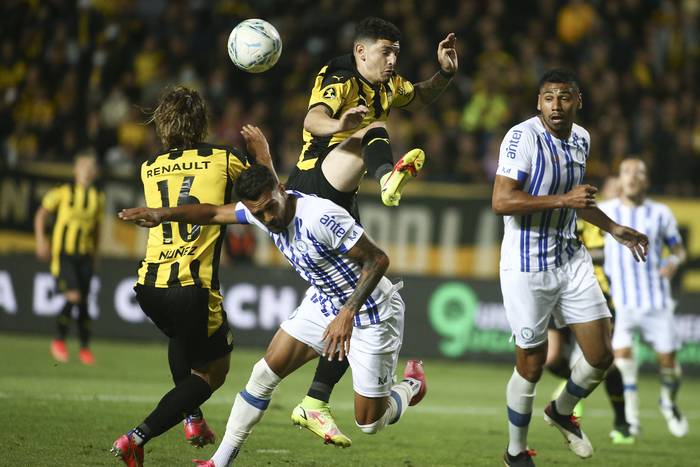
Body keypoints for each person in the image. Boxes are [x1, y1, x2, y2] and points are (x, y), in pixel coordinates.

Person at [119, 162, 427, 467]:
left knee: (369, 422)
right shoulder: (261, 212)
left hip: (373, 312)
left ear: (281, 190)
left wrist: (347, 313)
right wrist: (161, 214)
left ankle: (412, 385)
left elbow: (377, 259)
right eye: (258, 214)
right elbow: (212, 213)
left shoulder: (321, 216)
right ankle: (219, 462)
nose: (268, 218)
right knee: (262, 375)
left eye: (270, 208)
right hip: (324, 303)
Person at [285, 16, 457, 447]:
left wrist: (446, 74)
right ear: (361, 51)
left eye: (397, 51)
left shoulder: (390, 84)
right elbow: (313, 120)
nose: (393, 59)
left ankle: (317, 399)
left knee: (355, 301)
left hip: (342, 197)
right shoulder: (339, 76)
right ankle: (386, 177)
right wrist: (343, 126)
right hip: (312, 182)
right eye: (386, 51)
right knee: (375, 130)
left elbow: (419, 98)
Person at [109, 86, 274, 467]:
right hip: (192, 286)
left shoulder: (149, 167)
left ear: (163, 125)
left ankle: (193, 421)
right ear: (202, 123)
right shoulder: (223, 158)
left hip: (149, 286)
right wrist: (261, 156)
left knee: (182, 336)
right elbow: (265, 192)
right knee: (213, 372)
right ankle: (137, 438)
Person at [491, 69, 648, 467]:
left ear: (578, 100)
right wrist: (564, 200)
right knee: (531, 363)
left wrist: (614, 229)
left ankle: (561, 411)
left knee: (600, 355)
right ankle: (515, 452)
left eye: (563, 97)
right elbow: (502, 201)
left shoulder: (582, 139)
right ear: (537, 103)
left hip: (570, 257)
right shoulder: (521, 137)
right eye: (548, 98)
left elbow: (579, 200)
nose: (555, 106)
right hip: (526, 264)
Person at [599, 157, 688, 438]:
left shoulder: (661, 213)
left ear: (647, 181)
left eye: (639, 172)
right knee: (622, 358)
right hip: (620, 302)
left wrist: (673, 261)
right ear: (620, 179)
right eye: (627, 171)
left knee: (669, 365)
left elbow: (679, 250)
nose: (633, 176)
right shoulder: (605, 212)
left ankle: (668, 402)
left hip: (656, 302)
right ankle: (631, 420)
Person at [545, 214, 634, 445]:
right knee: (551, 359)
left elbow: (598, 254)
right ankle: (575, 388)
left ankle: (622, 423)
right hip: (555, 289)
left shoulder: (587, 218)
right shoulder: (549, 213)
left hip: (592, 291)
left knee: (600, 360)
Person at [34, 151, 104, 365]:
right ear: (75, 170)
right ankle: (59, 341)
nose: (87, 171)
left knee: (83, 302)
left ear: (95, 173)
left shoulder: (97, 198)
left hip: (85, 255)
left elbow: (97, 228)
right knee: (73, 296)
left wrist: (96, 253)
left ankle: (84, 347)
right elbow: (41, 215)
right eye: (83, 167)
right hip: (64, 254)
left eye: (90, 168)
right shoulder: (62, 192)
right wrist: (41, 240)